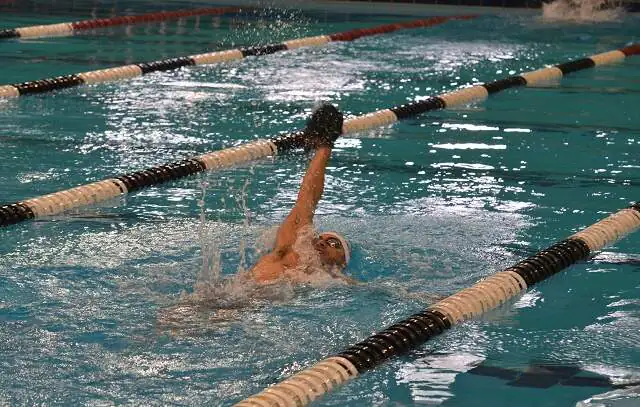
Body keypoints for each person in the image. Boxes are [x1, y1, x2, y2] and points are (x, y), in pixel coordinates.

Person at [248, 103, 356, 285]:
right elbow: (307, 197)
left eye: (334, 244)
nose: (322, 243)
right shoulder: (294, 250)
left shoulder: (336, 282)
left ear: (343, 262)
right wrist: (325, 146)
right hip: (220, 301)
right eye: (321, 238)